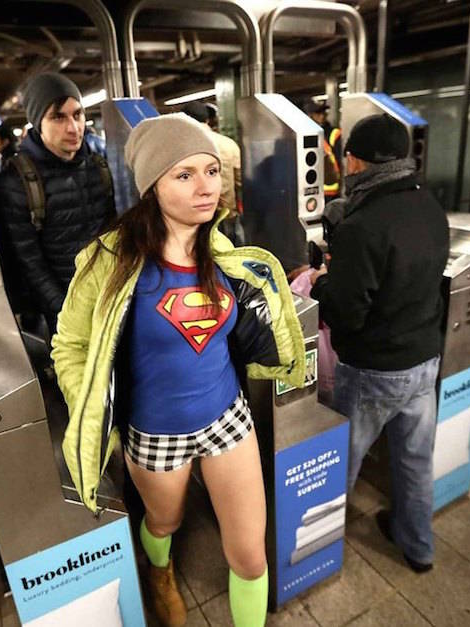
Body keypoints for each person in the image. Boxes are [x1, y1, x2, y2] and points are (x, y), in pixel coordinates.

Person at [51, 113, 305, 627]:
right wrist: (95, 407)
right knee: (164, 523)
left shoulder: (224, 251)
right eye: (184, 175)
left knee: (250, 556)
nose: (205, 187)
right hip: (155, 432)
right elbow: (69, 346)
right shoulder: (109, 262)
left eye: (210, 171)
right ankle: (160, 571)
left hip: (227, 418)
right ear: (152, 186)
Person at [309, 113, 449, 573]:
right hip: (424, 361)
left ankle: (318, 554)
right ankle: (419, 547)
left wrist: (322, 282)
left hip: (373, 371)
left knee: (341, 466)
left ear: (353, 162)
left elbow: (346, 313)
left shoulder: (363, 223)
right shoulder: (430, 205)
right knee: (415, 462)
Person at [0, 72, 116, 333]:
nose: (73, 127)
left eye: (77, 114)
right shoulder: (17, 183)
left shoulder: (99, 166)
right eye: (58, 117)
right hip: (65, 312)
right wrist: (66, 312)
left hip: (111, 297)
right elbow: (30, 263)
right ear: (38, 123)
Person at [181, 101, 244, 245]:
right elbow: (240, 181)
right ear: (208, 120)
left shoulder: (180, 147)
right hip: (226, 214)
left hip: (194, 218)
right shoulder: (228, 144)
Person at [304, 100, 343, 200]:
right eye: (318, 113)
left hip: (330, 192)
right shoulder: (302, 135)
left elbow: (341, 162)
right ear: (310, 115)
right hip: (309, 191)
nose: (322, 116)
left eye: (323, 112)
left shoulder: (334, 133)